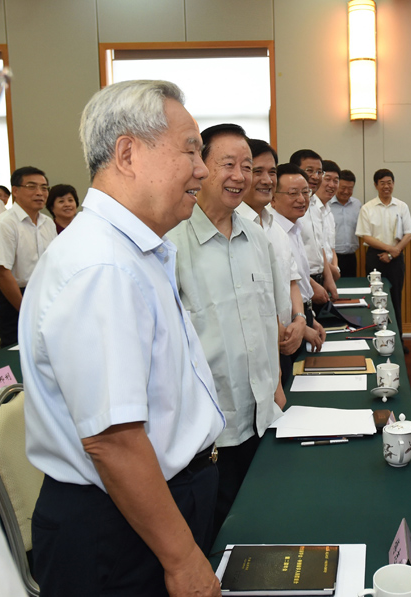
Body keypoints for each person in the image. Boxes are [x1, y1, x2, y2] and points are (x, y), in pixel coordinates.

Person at [20, 80, 225, 596]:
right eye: (190, 150)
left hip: (149, 510)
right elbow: (113, 440)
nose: (202, 169)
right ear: (128, 153)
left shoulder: (133, 250)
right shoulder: (102, 265)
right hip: (120, 531)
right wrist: (182, 559)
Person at [168, 123, 289, 536]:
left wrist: (276, 384)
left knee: (261, 527)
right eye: (229, 165)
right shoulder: (171, 244)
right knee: (216, 535)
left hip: (262, 417)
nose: (241, 176)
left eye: (248, 167)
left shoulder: (257, 237)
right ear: (200, 167)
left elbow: (269, 316)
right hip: (208, 434)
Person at [236, 139, 308, 382]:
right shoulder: (233, 226)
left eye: (272, 172)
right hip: (254, 351)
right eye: (257, 171)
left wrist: (300, 320)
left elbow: (291, 280)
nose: (267, 180)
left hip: (286, 341)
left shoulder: (275, 227)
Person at [0, 166, 57, 346]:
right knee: (17, 350)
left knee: (45, 349)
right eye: (31, 186)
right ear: (15, 191)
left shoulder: (48, 223)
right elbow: (2, 273)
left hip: (43, 294)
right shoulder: (5, 223)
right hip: (14, 298)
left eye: (44, 188)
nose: (40, 193)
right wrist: (26, 310)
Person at [269, 163, 327, 358]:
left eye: (305, 192)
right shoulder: (272, 232)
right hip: (287, 328)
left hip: (301, 316)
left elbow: (297, 278)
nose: (301, 199)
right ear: (273, 198)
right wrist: (300, 326)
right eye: (293, 193)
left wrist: (310, 319)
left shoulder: (295, 226)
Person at [355, 168, 411, 351]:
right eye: (382, 183)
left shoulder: (402, 206)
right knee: (376, 301)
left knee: (395, 300)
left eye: (389, 182)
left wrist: (394, 252)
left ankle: (398, 342)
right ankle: (379, 340)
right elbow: (366, 236)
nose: (386, 186)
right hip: (375, 257)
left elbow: (409, 233)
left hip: (396, 258)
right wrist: (390, 249)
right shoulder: (367, 208)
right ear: (376, 185)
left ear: (393, 184)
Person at [291, 149, 338, 304]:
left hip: (319, 278)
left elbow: (319, 246)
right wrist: (310, 284)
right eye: (309, 171)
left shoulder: (315, 206)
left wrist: (328, 277)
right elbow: (288, 254)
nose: (315, 177)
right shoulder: (290, 206)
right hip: (299, 281)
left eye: (319, 172)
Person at [330, 169, 361, 278]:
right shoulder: (327, 205)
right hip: (331, 258)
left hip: (351, 257)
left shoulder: (357, 204)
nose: (346, 191)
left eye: (350, 188)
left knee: (350, 286)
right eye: (343, 188)